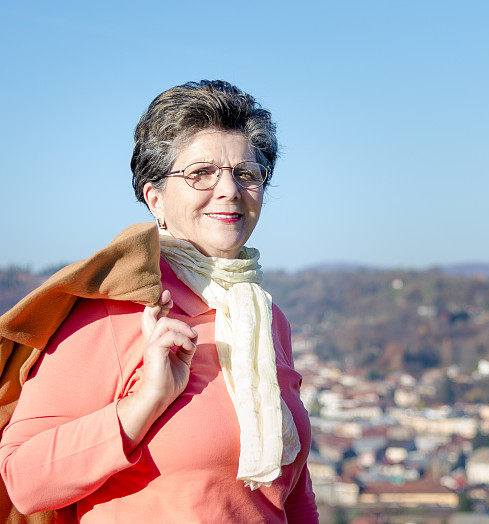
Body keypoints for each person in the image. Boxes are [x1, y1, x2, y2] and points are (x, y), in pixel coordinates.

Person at [0, 80, 318, 522]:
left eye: (245, 173)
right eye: (200, 173)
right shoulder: (111, 313)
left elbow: (290, 492)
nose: (228, 189)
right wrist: (144, 402)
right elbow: (23, 480)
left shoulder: (264, 318)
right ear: (155, 199)